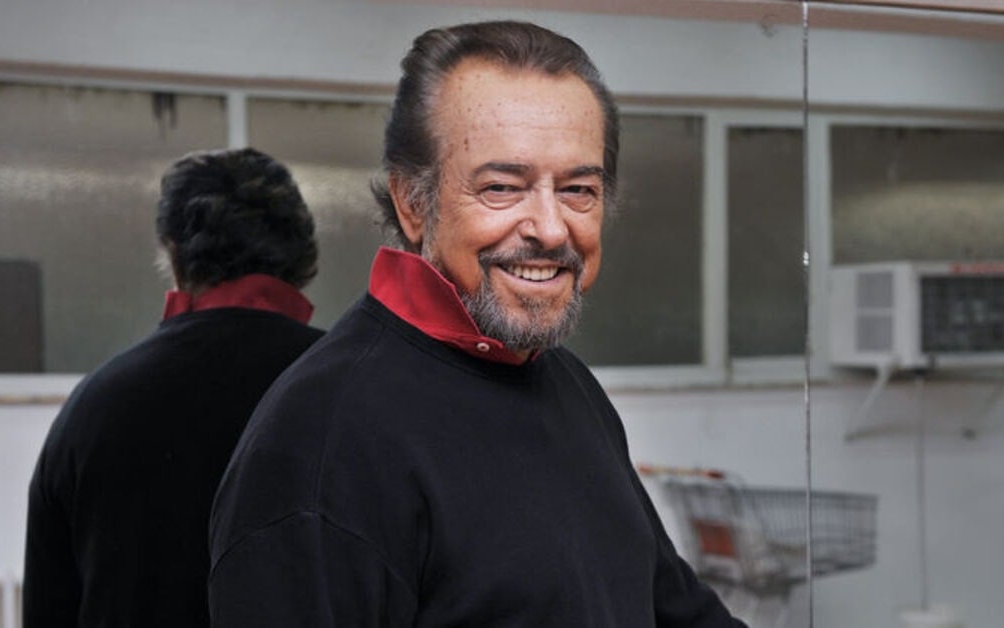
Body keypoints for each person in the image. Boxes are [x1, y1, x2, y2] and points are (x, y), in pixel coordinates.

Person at [208, 21, 745, 627]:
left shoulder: (567, 384)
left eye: (578, 189)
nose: (551, 228)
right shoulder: (322, 443)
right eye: (502, 187)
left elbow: (675, 610)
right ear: (413, 203)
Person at [23, 148, 324, 627]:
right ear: (302, 255)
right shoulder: (350, 388)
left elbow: (48, 610)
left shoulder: (93, 408)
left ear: (173, 251)